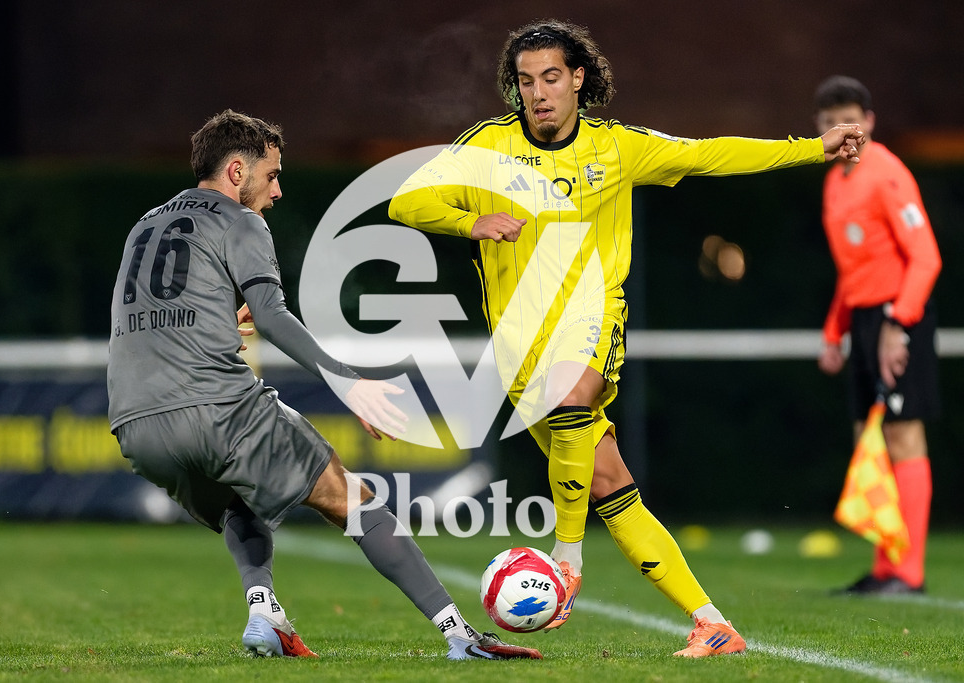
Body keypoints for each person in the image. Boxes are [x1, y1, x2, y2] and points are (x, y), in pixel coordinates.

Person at [389, 20, 866, 657]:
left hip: (592, 324)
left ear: (578, 78)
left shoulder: (618, 148)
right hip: (518, 347)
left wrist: (813, 148)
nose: (539, 93)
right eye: (527, 81)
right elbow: (405, 202)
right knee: (610, 484)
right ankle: (712, 623)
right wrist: (470, 219)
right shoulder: (489, 145)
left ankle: (566, 560)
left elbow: (709, 153)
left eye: (552, 78)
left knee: (568, 399)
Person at [107, 109, 541, 661]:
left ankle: (264, 614)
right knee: (353, 500)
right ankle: (460, 634)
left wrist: (212, 322)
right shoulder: (241, 222)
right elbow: (270, 313)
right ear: (237, 172)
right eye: (272, 174)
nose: (278, 190)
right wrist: (347, 381)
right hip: (214, 409)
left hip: (135, 425)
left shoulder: (145, 224)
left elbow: (147, 316)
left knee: (240, 500)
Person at [813, 76, 941, 595]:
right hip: (864, 318)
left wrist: (899, 325)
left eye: (848, 121)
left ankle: (909, 573)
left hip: (898, 315)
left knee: (904, 434)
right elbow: (851, 270)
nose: (840, 131)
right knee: (873, 441)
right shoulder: (835, 180)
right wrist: (834, 331)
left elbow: (926, 257)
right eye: (827, 124)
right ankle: (885, 567)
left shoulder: (887, 173)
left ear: (869, 121)